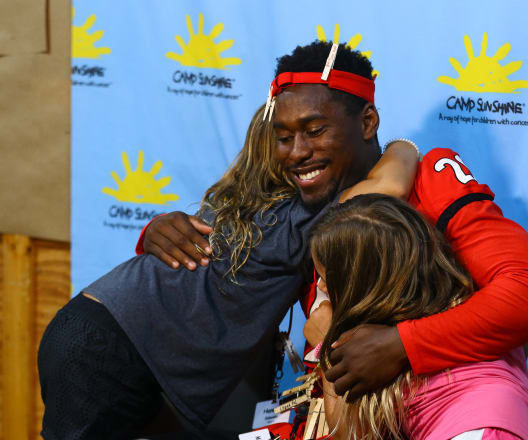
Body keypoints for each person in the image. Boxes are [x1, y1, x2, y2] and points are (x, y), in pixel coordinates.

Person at [146, 40, 528, 403]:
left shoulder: (430, 177)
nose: (296, 152)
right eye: (284, 136)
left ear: (368, 122)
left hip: (447, 409)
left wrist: (403, 345)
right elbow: (226, 269)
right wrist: (159, 232)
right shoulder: (295, 204)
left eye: (315, 130)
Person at [37, 103, 419, 438]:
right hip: (108, 350)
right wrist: (405, 146)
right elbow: (388, 186)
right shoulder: (298, 219)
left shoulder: (239, 204)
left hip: (92, 328)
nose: (303, 150)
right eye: (289, 139)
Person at [309, 194, 528, 440]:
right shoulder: (464, 321)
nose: (322, 288)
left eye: (326, 279)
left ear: (363, 288)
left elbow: (347, 435)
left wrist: (330, 345)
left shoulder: (479, 430)